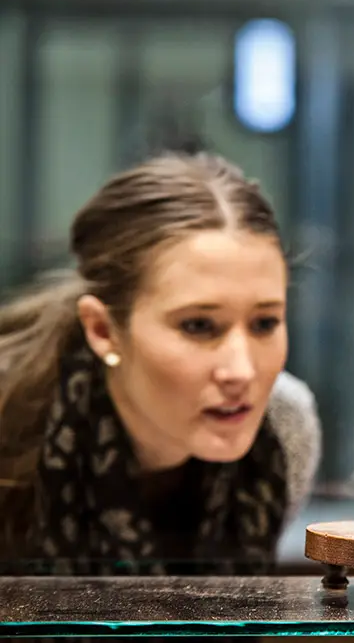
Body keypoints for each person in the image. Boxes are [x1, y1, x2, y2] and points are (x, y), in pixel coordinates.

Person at [0, 152, 321, 576]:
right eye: (198, 326)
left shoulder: (284, 422)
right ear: (102, 330)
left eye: (265, 323)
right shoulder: (9, 413)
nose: (242, 370)